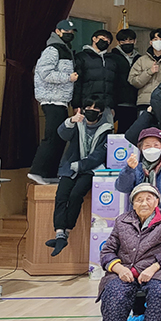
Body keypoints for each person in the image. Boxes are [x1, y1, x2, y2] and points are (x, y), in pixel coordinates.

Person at [97, 184, 161, 321]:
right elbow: (107, 251)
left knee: (159, 292)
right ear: (133, 204)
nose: (144, 203)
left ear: (157, 202)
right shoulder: (122, 221)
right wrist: (119, 269)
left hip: (158, 272)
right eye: (139, 200)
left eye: (148, 199)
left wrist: (154, 267)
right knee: (114, 294)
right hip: (125, 271)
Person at [48, 95, 114, 256]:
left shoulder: (106, 129)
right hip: (69, 168)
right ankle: (59, 233)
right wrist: (71, 121)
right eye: (88, 107)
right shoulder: (78, 124)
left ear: (101, 112)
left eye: (95, 108)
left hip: (91, 169)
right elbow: (62, 134)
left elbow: (99, 155)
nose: (91, 111)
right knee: (61, 196)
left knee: (76, 195)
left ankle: (67, 231)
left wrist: (81, 165)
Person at [29, 19, 77, 185]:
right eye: (66, 32)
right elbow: (45, 73)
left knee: (59, 138)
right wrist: (68, 78)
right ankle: (37, 171)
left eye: (71, 32)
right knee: (52, 137)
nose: (69, 34)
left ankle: (50, 173)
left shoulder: (65, 49)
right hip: (51, 99)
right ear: (58, 31)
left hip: (61, 100)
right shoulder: (52, 49)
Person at [115, 127, 161, 222]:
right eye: (147, 146)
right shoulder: (136, 168)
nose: (152, 148)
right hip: (137, 222)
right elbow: (122, 188)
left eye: (156, 145)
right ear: (141, 148)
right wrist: (128, 169)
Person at [73, 28, 120, 108]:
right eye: (103, 39)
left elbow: (114, 85)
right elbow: (77, 83)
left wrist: (113, 106)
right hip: (87, 104)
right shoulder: (82, 57)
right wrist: (76, 105)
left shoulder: (111, 60)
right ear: (94, 39)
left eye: (108, 41)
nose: (105, 42)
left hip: (107, 105)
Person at [128, 28, 161, 111]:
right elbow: (133, 81)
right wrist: (149, 72)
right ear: (151, 42)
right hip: (145, 102)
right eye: (155, 39)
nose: (158, 42)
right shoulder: (142, 60)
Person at [110, 28, 141, 133]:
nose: (127, 43)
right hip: (115, 102)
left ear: (135, 41)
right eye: (123, 41)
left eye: (130, 40)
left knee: (128, 133)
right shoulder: (111, 57)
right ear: (118, 42)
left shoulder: (140, 59)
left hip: (133, 102)